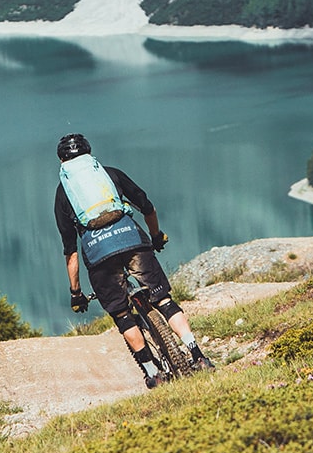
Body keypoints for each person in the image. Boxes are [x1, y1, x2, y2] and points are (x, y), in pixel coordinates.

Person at [53, 133, 212, 385]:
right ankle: (197, 355)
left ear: (62, 161)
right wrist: (156, 236)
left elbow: (70, 251)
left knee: (123, 315)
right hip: (132, 240)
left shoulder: (63, 194)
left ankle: (152, 373)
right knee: (163, 299)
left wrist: (76, 292)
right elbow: (147, 207)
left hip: (99, 256)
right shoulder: (111, 174)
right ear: (89, 154)